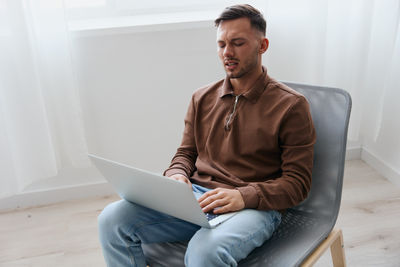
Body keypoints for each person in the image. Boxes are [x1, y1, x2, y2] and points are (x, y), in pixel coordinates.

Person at [98, 4, 316, 267]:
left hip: (254, 208)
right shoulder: (201, 97)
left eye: (237, 43)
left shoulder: (291, 106)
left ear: (262, 45)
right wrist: (176, 175)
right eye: (222, 44)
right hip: (197, 198)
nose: (228, 53)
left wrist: (243, 196)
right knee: (111, 220)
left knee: (204, 253)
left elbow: (298, 183)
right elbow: (186, 153)